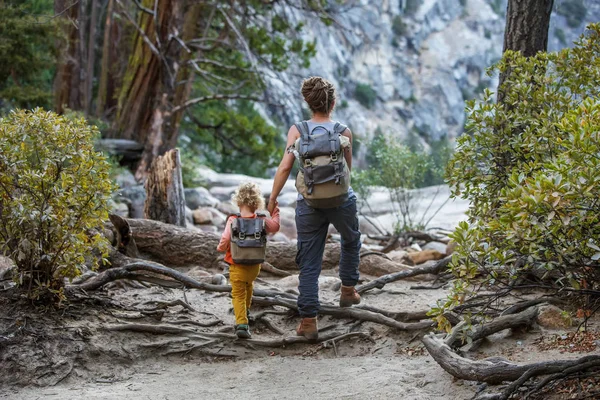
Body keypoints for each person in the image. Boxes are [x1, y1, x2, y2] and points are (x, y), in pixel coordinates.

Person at [267, 76, 361, 341]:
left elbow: (285, 167)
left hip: (308, 203)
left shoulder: (297, 131)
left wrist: (272, 199)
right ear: (332, 103)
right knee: (351, 239)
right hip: (341, 201)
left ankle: (309, 321)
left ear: (308, 103)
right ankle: (348, 289)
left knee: (309, 262)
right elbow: (347, 170)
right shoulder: (343, 131)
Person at [217, 182, 280, 338]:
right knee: (249, 286)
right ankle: (246, 311)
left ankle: (242, 324)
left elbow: (225, 239)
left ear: (238, 202)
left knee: (238, 293)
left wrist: (221, 248)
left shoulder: (233, 220)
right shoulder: (262, 220)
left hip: (237, 264)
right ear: (257, 203)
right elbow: (276, 227)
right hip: (254, 265)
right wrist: (275, 210)